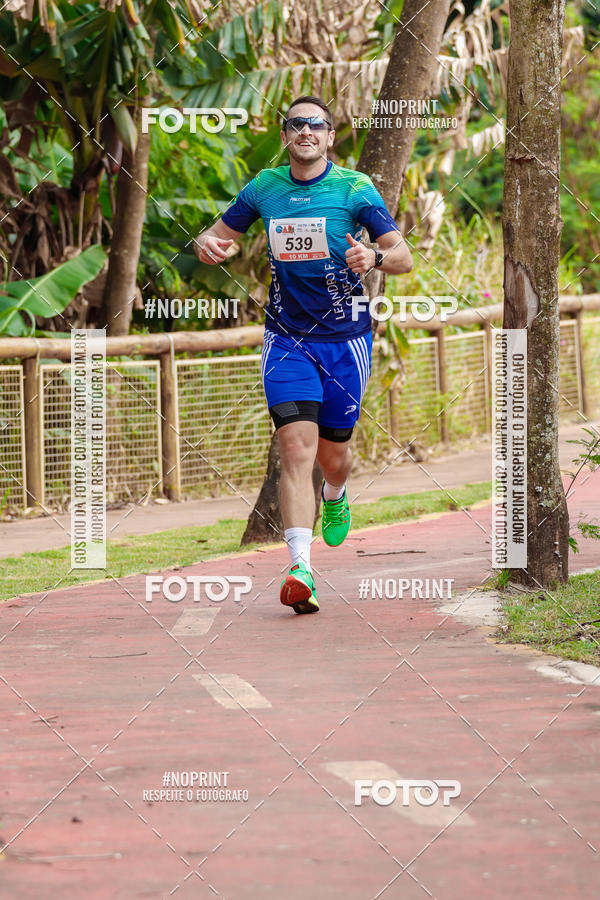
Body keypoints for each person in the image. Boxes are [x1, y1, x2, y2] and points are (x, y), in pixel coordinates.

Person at [194, 96, 412, 615]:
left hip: (345, 341)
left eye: (315, 124)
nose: (305, 131)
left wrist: (374, 256)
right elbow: (218, 235)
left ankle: (336, 494)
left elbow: (402, 256)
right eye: (296, 124)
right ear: (286, 134)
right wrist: (208, 243)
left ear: (330, 135)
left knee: (332, 455)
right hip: (286, 338)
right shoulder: (264, 187)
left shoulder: (354, 188)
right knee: (295, 448)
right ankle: (300, 568)